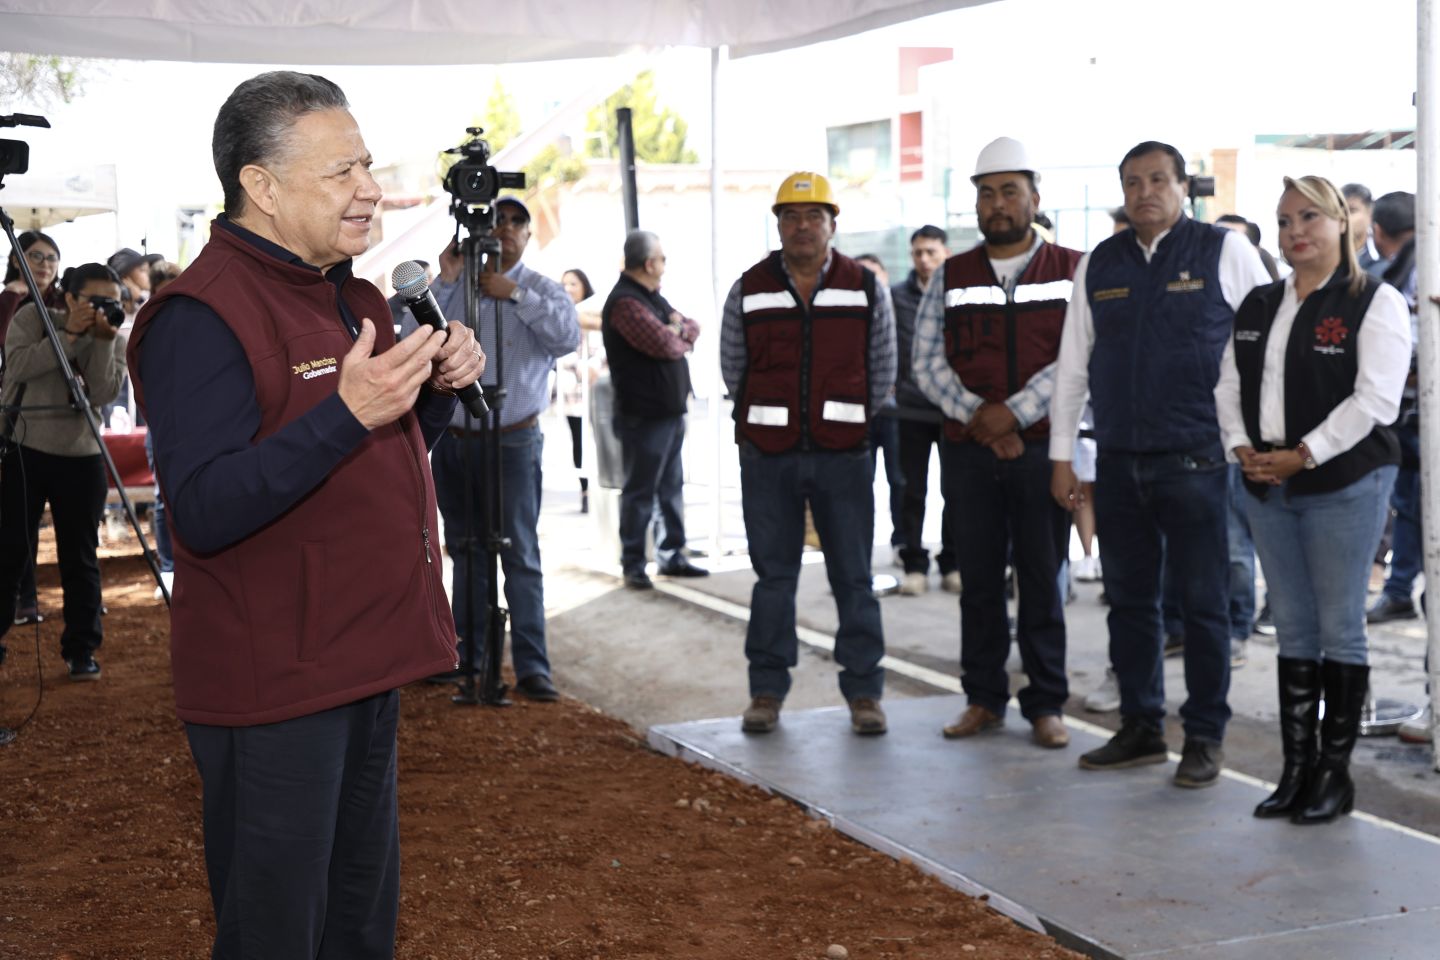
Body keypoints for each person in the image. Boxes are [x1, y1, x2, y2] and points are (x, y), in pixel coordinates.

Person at [128, 70, 483, 958]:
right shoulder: (200, 316)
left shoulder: (349, 295)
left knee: (358, 923)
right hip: (276, 686)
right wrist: (348, 414)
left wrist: (431, 394)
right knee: (276, 934)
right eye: (341, 172)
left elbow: (375, 462)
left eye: (367, 165)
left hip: (364, 658)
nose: (370, 189)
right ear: (262, 185)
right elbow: (203, 509)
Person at [1050, 140, 1271, 789]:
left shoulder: (1225, 251)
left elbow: (1264, 347)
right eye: (1132, 182)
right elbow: (1072, 367)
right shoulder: (1101, 262)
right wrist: (1062, 458)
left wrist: (1251, 438)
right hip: (1119, 461)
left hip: (1199, 459)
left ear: (1183, 187)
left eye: (1157, 180)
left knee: (1202, 607)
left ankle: (1204, 736)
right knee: (1129, 604)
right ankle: (1141, 727)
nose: (1144, 192)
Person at [1215, 175, 1409, 823]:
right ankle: (1296, 770)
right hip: (1266, 479)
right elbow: (1228, 386)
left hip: (1343, 481)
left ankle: (1334, 775)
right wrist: (1242, 447)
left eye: (1309, 218)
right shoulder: (1259, 302)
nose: (1295, 231)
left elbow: (1376, 400)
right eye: (1284, 220)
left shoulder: (1373, 301)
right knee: (1293, 627)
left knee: (1339, 627)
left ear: (1342, 224)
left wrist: (1303, 453)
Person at [912, 137, 1080, 749]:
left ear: (1035, 197)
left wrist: (1015, 413)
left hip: (1043, 452)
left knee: (1041, 579)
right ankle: (983, 698)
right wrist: (982, 417)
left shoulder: (1072, 269)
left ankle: (1046, 703)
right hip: (970, 450)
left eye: (1010, 191)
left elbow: (1079, 357)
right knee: (978, 582)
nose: (999, 204)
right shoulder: (951, 275)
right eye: (987, 194)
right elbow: (925, 361)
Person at [720, 171, 896, 736]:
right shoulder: (749, 288)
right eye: (791, 217)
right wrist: (760, 422)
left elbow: (883, 364)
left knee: (854, 577)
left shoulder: (864, 285)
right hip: (768, 456)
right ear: (778, 225)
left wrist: (855, 421)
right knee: (774, 579)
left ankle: (864, 692)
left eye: (813, 216)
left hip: (844, 455)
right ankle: (767, 691)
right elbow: (733, 365)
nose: (802, 227)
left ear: (832, 224)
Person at [424, 195, 580, 702]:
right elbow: (416, 337)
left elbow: (566, 338)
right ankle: (466, 657)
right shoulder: (454, 286)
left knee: (519, 551)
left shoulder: (541, 289)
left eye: (517, 221)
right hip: (454, 440)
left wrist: (514, 294)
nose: (506, 228)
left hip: (513, 439)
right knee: (465, 549)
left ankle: (533, 668)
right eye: (497, 220)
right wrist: (447, 280)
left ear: (529, 235)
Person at [0, 262, 128, 679]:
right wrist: (70, 334)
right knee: (10, 552)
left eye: (113, 300)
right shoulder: (33, 318)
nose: (105, 308)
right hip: (26, 450)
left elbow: (104, 393)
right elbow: (18, 367)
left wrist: (102, 342)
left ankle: (81, 649)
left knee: (80, 556)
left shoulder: (111, 334)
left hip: (82, 455)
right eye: (95, 300)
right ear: (70, 297)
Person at [601, 230, 705, 589]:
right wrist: (678, 332)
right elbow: (665, 344)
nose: (664, 263)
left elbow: (691, 326)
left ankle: (671, 555)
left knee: (670, 489)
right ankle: (633, 563)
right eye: (662, 258)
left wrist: (678, 330)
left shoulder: (652, 298)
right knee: (641, 492)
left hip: (667, 412)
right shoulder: (626, 303)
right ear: (648, 263)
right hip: (643, 416)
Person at [1, 229, 64, 627]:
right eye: (36, 257)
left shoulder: (65, 301)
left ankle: (48, 599)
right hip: (17, 419)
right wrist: (14, 297)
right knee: (16, 518)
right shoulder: (8, 300)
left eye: (51, 258)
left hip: (61, 419)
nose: (45, 265)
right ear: (16, 259)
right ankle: (20, 599)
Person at [892, 224, 959, 596]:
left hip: (952, 408)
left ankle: (952, 562)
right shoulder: (897, 297)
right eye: (918, 252)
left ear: (945, 253)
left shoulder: (959, 293)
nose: (924, 259)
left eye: (931, 251)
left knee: (955, 488)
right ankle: (914, 564)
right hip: (911, 410)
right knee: (911, 489)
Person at [1366, 191, 1421, 624]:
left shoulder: (1417, 267)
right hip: (1407, 410)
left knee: (1413, 502)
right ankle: (1400, 588)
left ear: (1378, 231)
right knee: (1408, 501)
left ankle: (1402, 587)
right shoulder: (1400, 269)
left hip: (1417, 407)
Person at [558, 267, 598, 512]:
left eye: (573, 283)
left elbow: (604, 347)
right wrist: (578, 364)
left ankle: (600, 488)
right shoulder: (560, 315)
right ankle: (585, 489)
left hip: (596, 388)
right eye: (564, 284)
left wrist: (593, 365)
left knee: (600, 439)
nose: (568, 288)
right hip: (572, 391)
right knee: (579, 441)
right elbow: (558, 349)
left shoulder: (596, 310)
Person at [1340, 183, 1384, 275]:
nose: (1344, 217)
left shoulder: (1381, 262)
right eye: (1339, 211)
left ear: (1370, 214)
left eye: (1352, 210)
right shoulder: (1323, 258)